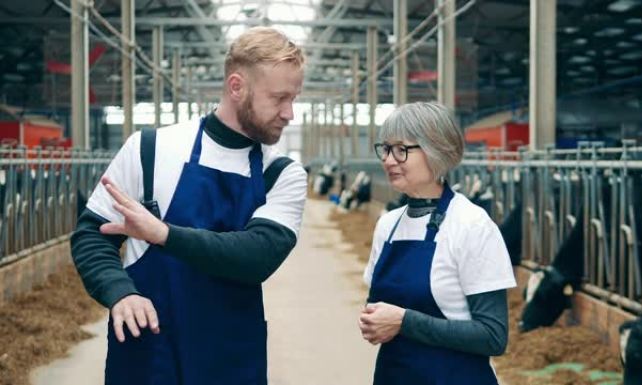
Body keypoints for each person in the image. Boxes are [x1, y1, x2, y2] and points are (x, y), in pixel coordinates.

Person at [71, 27, 307, 385]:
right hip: (148, 350)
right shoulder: (149, 150)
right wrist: (119, 292)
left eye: (295, 98)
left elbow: (257, 256)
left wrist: (163, 234)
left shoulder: (282, 174)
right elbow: (92, 234)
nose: (289, 113)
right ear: (236, 86)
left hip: (229, 357)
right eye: (279, 98)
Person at [358, 102, 516, 385]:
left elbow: (493, 336)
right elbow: (380, 309)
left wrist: (405, 322)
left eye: (401, 149)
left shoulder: (471, 225)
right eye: (385, 148)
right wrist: (375, 322)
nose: (389, 160)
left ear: (436, 150)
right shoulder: (388, 225)